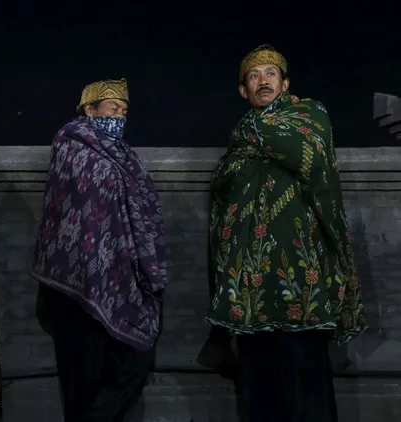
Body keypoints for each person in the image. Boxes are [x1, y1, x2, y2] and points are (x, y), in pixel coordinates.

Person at [205, 44, 368, 422]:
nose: (263, 81)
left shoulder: (310, 117)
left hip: (300, 277)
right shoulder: (240, 139)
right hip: (249, 287)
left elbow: (308, 154)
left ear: (285, 83)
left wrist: (256, 133)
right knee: (260, 388)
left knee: (306, 382)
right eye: (254, 76)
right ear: (243, 91)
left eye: (270, 74)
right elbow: (224, 188)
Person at [32, 78, 169, 421]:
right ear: (89, 110)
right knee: (82, 378)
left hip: (121, 279)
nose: (119, 117)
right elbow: (70, 211)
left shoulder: (126, 157)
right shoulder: (71, 146)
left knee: (131, 365)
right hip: (75, 286)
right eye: (112, 109)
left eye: (124, 111)